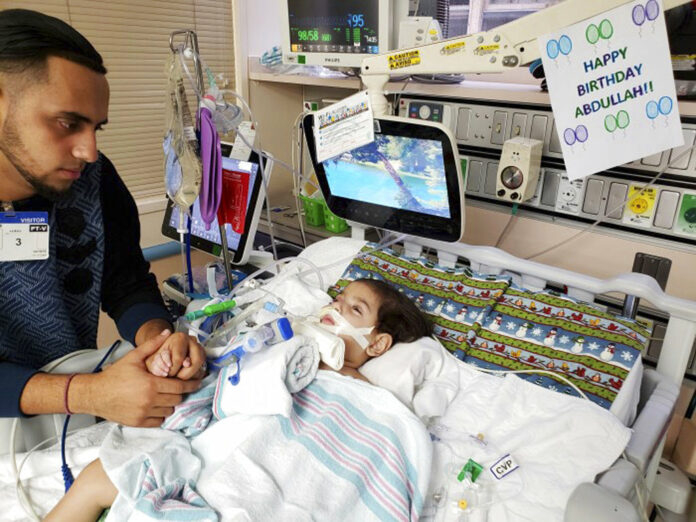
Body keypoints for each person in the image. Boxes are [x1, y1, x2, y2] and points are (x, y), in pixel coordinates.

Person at [45, 277, 433, 521]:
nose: (335, 308)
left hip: (280, 487)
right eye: (338, 299)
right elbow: (221, 387)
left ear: (379, 342)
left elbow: (385, 458)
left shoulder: (379, 405)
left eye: (354, 309)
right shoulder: (291, 350)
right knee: (101, 475)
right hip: (225, 457)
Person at [0, 8, 205, 426]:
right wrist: (88, 392)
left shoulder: (91, 179)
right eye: (68, 123)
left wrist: (159, 340)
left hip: (69, 412)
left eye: (97, 128)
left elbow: (124, 280)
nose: (88, 151)